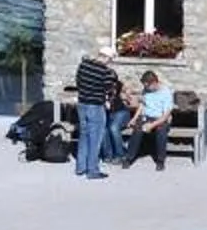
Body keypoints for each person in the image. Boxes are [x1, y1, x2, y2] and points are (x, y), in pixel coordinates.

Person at [72, 44, 121, 179]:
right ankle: (92, 170)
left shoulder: (83, 65)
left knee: (84, 135)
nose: (109, 62)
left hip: (82, 103)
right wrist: (107, 99)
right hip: (96, 106)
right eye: (110, 60)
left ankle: (80, 167)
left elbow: (78, 83)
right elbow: (109, 90)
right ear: (107, 58)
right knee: (95, 139)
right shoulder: (106, 72)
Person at [131, 70, 176, 170]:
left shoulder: (166, 92)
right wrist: (134, 118)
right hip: (147, 117)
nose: (146, 88)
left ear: (154, 83)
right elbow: (142, 105)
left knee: (161, 131)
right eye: (145, 86)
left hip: (161, 118)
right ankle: (129, 157)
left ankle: (160, 160)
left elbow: (166, 115)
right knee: (137, 129)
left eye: (147, 86)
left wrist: (151, 125)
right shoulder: (146, 90)